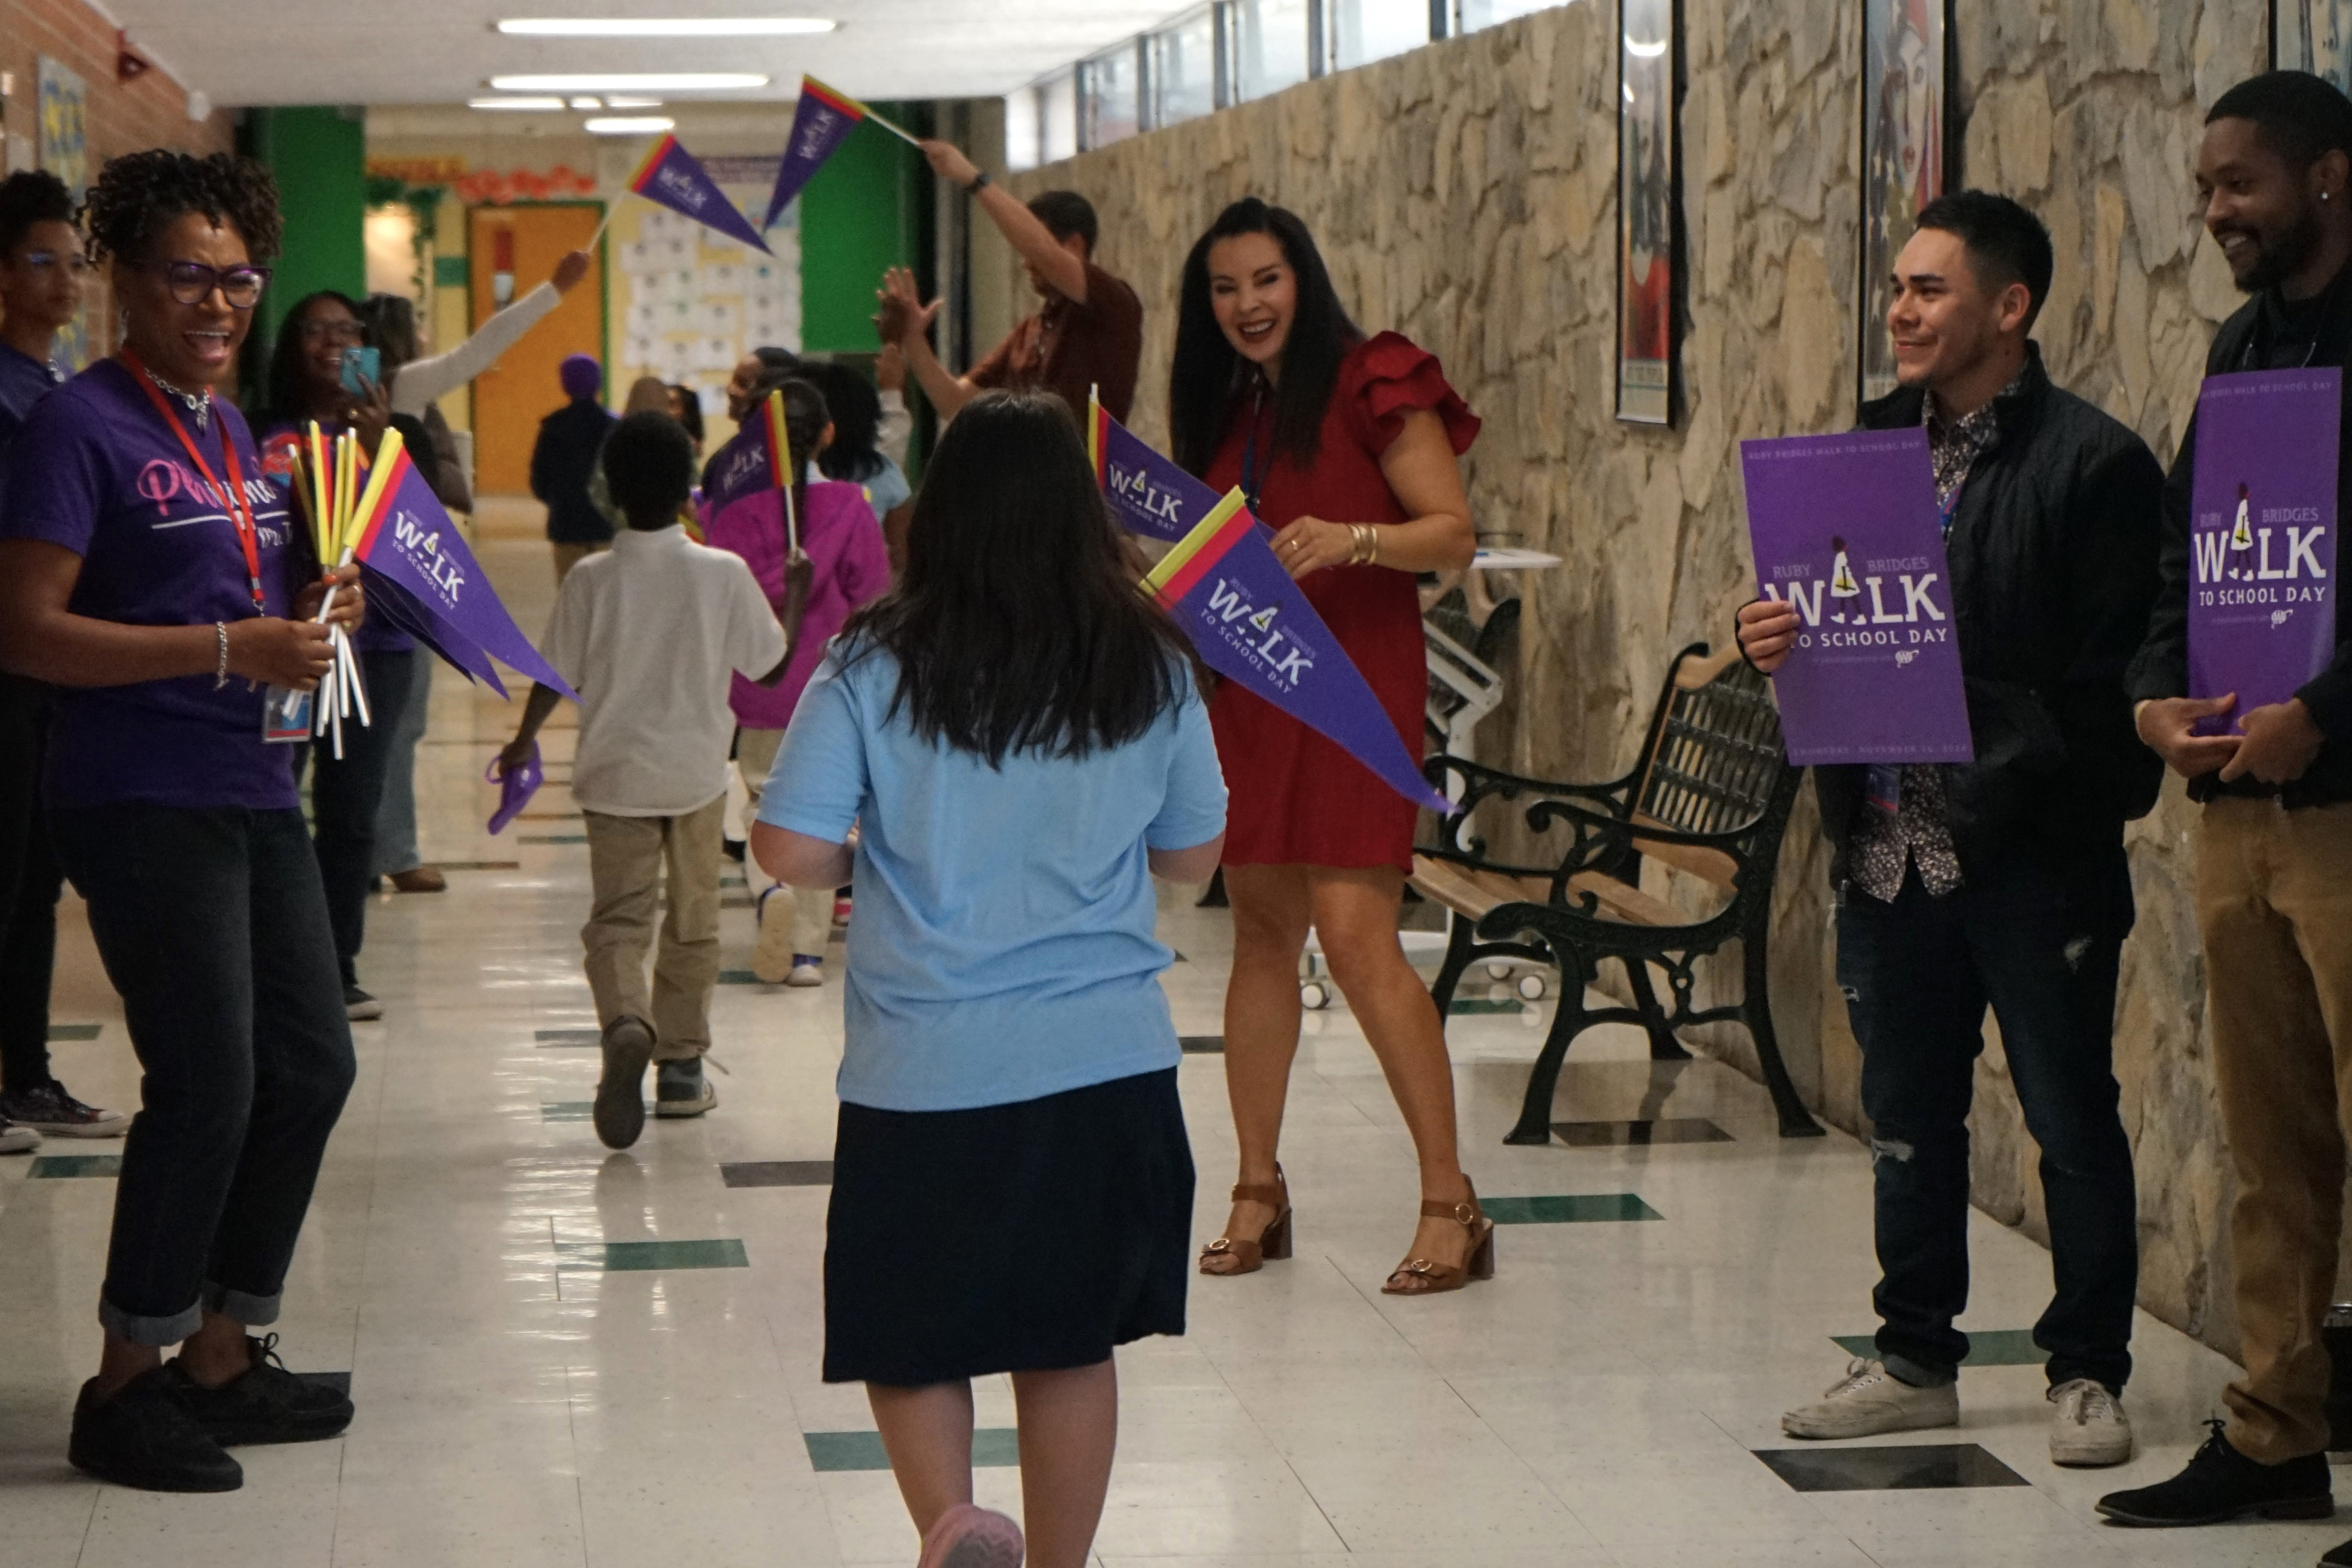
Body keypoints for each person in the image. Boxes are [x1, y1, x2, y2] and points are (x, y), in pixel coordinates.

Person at [750, 390, 1225, 1568]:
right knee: (1068, 1345)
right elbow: (1190, 859)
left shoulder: (872, 658)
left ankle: (955, 1527)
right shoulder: (1149, 657)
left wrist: (896, 828)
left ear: (945, 511)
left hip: (928, 1067)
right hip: (1105, 1061)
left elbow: (790, 850)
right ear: (1080, 510)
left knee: (911, 1338)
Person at [1735, 192, 2163, 1466]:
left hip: (2030, 860)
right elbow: (1825, 619)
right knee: (1908, 1118)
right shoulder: (1860, 451)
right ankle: (1916, 1351)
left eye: (1929, 290)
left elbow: (2104, 693)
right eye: (1897, 289)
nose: (1901, 311)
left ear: (2010, 307)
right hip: (1881, 845)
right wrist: (1778, 639)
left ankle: (2087, 1369)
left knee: (2070, 1118)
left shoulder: (2097, 465)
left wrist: (1963, 717)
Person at [0, 147, 360, 1491]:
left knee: (312, 1068)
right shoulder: (77, 427)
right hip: (138, 789)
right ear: (127, 280)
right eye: (187, 276)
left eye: (238, 277)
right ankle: (125, 1385)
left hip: (252, 783)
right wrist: (225, 646)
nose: (218, 303)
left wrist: (319, 617)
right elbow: (27, 631)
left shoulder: (226, 429)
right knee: (208, 1078)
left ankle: (223, 1349)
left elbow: (260, 605)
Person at [2098, 72, 2352, 1549]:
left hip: (2344, 803)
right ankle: (2271, 1429)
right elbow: (2183, 565)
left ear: (2325, 178)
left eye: (2234, 186)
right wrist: (2151, 698)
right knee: (2271, 1147)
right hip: (2234, 813)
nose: (2211, 215)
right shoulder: (2244, 346)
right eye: (2201, 190)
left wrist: (2321, 709)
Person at [1164, 198, 1486, 1295]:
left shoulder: (1373, 375)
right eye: (1224, 288)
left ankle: (1450, 1196)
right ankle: (1257, 1185)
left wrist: (1351, 540)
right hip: (1251, 698)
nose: (1247, 304)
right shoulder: (1223, 412)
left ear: (1302, 275)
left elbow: (1450, 533)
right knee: (1258, 935)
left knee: (1357, 941)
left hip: (1354, 689)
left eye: (1265, 279)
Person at [500, 412, 798, 1150]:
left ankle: (626, 1019)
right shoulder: (723, 571)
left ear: (609, 489)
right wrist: (793, 592)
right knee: (694, 920)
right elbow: (770, 666)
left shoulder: (592, 579)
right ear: (687, 487)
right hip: (695, 775)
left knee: (618, 921)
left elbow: (552, 676)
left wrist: (520, 742)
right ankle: (680, 1068)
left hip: (614, 778)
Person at [256, 291, 434, 1022]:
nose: (332, 343)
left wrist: (377, 441)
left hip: (378, 646)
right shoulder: (259, 431)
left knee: (352, 809)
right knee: (272, 800)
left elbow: (417, 537)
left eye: (347, 331)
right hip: (288, 643)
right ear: (289, 345)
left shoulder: (398, 436)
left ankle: (337, 964)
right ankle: (274, 958)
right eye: (315, 330)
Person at [0, 170, 128, 1148]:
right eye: (43, 261)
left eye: (75, 262)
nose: (65, 281)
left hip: (52, 675)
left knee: (36, 881)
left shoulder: (59, 392)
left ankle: (28, 1074)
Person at [703, 377, 889, 987]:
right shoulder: (853, 506)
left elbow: (722, 597)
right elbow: (873, 598)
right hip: (831, 682)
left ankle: (768, 892)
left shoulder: (730, 510)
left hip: (758, 678)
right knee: (825, 813)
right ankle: (808, 953)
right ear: (828, 435)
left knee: (760, 800)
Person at [353, 287, 490, 898]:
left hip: (387, 572)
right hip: (397, 577)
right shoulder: (405, 391)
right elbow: (482, 349)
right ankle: (386, 850)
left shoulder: (370, 399)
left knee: (378, 728)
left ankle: (370, 846)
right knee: (395, 725)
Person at [877, 147, 1143, 423]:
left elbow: (1047, 254)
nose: (1026, 263)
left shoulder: (1115, 304)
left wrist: (973, 179)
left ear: (1074, 246)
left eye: (1030, 251)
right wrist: (913, 338)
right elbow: (956, 405)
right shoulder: (1027, 334)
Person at [532, 353, 617, 582]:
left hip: (566, 524)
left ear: (565, 383)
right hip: (606, 524)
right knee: (604, 589)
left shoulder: (553, 427)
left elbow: (539, 481)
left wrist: (558, 500)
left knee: (571, 591)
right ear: (598, 383)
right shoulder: (614, 426)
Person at [665, 381, 705, 456]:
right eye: (662, 404)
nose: (665, 410)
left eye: (672, 404)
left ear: (685, 409)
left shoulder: (686, 444)